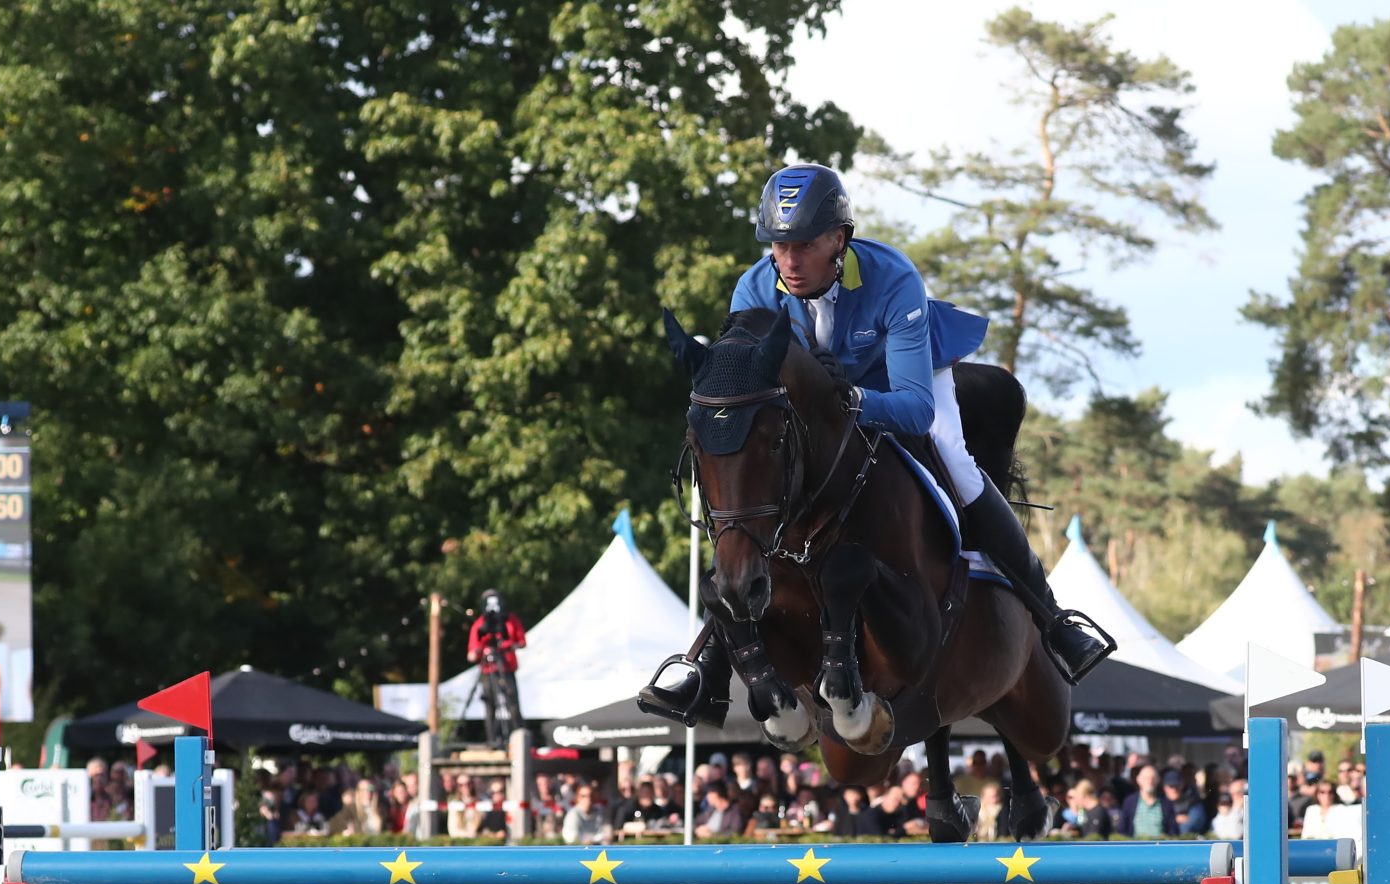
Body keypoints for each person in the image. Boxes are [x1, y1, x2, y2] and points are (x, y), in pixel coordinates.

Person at [639, 164, 1116, 725]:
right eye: (778, 245)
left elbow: (914, 406)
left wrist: (855, 401)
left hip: (897, 380)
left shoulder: (893, 278)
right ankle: (708, 661)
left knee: (955, 458)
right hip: (822, 404)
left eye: (805, 245)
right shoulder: (754, 287)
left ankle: (1052, 618)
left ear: (839, 239)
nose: (788, 261)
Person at [465, 588, 526, 745]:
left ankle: (518, 738)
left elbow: (521, 642)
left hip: (506, 667)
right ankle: (492, 740)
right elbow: (471, 654)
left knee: (512, 702)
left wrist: (506, 645)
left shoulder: (510, 620)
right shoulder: (479, 624)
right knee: (490, 704)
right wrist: (481, 650)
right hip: (488, 669)